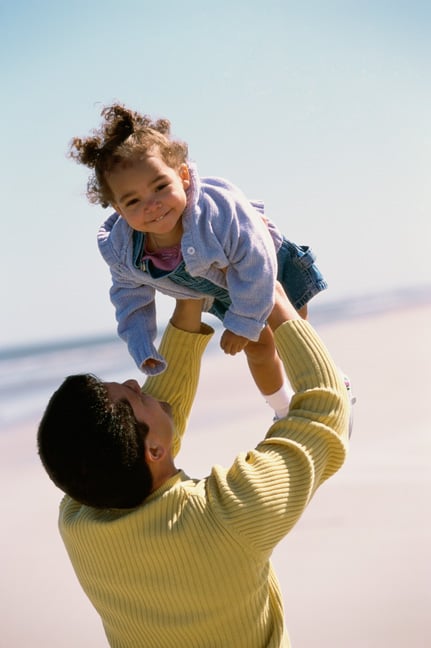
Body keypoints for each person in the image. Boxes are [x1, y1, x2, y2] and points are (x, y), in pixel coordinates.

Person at [37, 284, 350, 647]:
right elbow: (324, 413)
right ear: (152, 450)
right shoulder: (227, 515)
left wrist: (189, 302)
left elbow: (154, 428)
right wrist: (273, 295)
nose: (135, 383)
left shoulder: (79, 519)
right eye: (134, 394)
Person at [69, 103, 328, 420]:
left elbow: (256, 257)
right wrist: (142, 345)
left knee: (291, 334)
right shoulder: (125, 251)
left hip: (268, 266)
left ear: (182, 177)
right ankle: (283, 409)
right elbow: (128, 296)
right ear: (119, 210)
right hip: (224, 291)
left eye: (160, 187)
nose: (152, 206)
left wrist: (243, 321)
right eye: (133, 201)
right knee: (259, 350)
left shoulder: (215, 211)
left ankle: (329, 386)